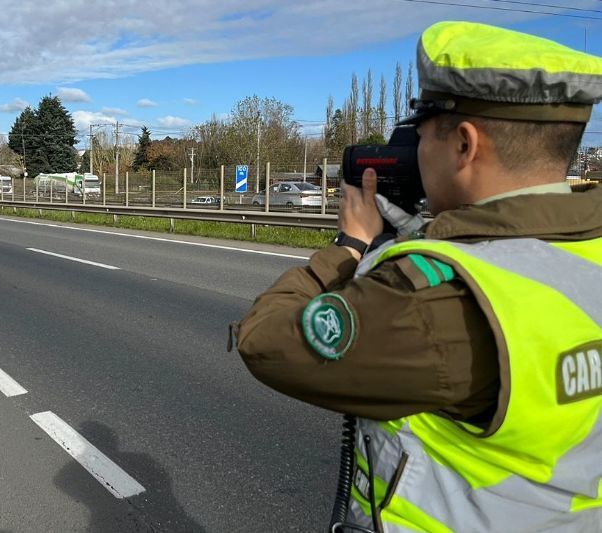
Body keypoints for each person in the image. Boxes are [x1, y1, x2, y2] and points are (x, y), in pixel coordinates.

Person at [234, 21, 602, 533]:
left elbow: (263, 340)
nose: (413, 150)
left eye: (420, 132)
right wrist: (433, 235)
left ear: (464, 145)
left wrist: (350, 246)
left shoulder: (440, 297)